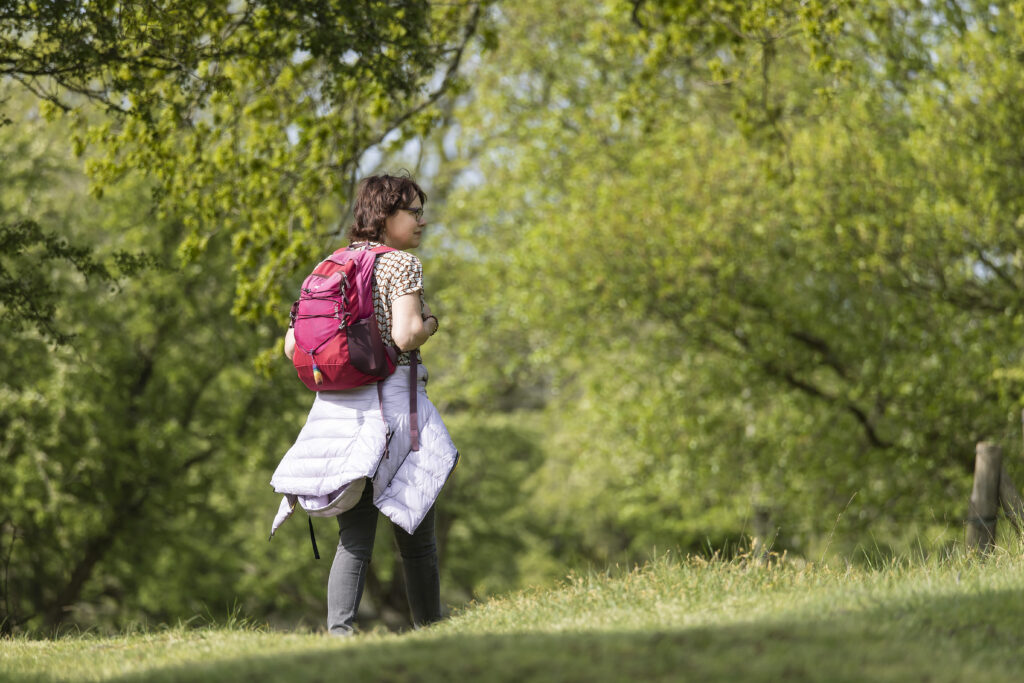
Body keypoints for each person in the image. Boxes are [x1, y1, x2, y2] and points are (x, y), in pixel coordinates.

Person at [277, 173, 458, 635]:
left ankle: (340, 636)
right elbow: (405, 335)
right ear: (385, 214)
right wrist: (432, 323)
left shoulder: (330, 264)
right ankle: (431, 631)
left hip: (340, 412)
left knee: (354, 539)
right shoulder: (401, 264)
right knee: (415, 531)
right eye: (412, 212)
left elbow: (291, 344)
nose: (421, 221)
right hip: (396, 409)